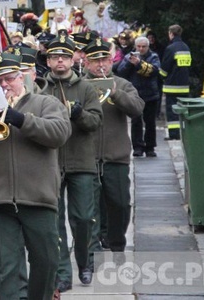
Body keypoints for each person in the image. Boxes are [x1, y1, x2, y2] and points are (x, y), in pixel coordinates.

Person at [0, 52, 71, 300]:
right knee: (4, 270)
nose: (4, 85)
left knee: (47, 262)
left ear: (22, 78)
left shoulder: (45, 103)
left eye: (9, 79)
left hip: (39, 197)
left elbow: (59, 133)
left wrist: (19, 119)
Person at [42, 32, 103, 292]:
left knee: (83, 218)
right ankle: (62, 273)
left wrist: (78, 114)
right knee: (54, 221)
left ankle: (85, 261)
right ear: (48, 61)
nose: (59, 62)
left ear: (72, 60)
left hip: (81, 162)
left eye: (64, 57)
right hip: (50, 163)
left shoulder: (86, 87)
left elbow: (95, 122)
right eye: (54, 57)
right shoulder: (41, 88)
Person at [82, 39, 143, 260]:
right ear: (87, 63)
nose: (101, 65)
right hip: (86, 157)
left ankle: (117, 243)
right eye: (96, 61)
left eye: (105, 60)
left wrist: (116, 93)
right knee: (89, 208)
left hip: (115, 155)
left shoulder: (122, 83)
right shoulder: (79, 85)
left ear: (111, 61)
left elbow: (137, 109)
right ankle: (92, 249)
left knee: (119, 203)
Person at [117, 36, 161, 157]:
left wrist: (139, 64)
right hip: (135, 95)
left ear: (148, 47)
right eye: (139, 46)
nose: (141, 49)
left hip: (150, 94)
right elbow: (121, 72)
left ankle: (150, 147)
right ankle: (137, 147)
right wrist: (130, 64)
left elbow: (155, 71)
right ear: (135, 46)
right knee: (136, 122)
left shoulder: (153, 57)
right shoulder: (128, 57)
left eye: (143, 47)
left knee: (150, 123)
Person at [160, 24, 191, 140]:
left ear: (171, 34)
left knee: (172, 111)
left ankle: (174, 134)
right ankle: (183, 133)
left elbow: (164, 69)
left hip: (172, 86)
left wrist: (161, 76)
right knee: (182, 111)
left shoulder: (170, 48)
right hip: (184, 85)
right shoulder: (186, 47)